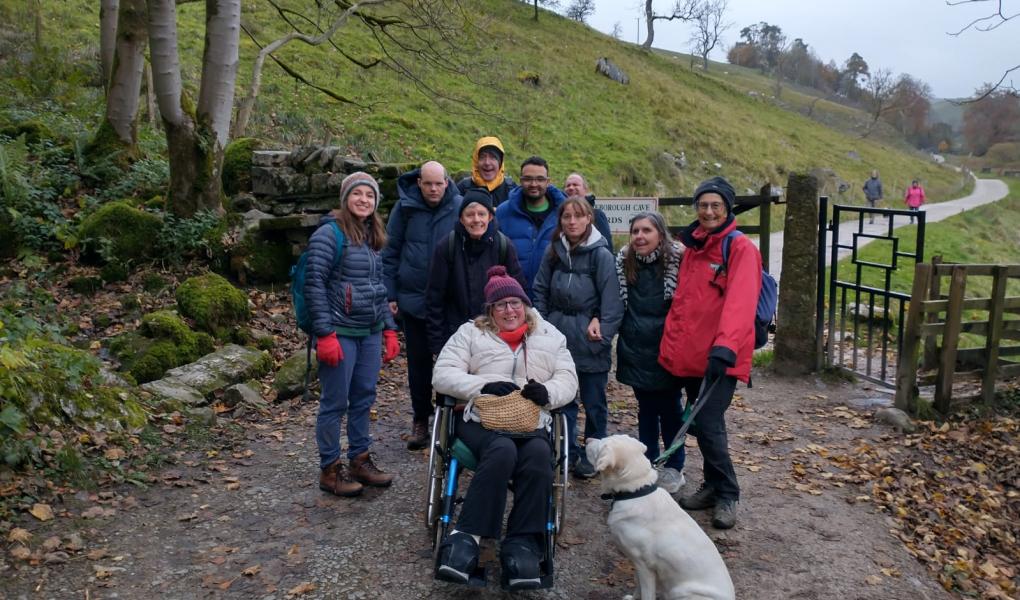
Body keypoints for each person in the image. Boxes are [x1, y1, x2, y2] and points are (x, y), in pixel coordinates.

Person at [432, 266, 578, 590]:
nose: (509, 311)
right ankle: (467, 537)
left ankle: (523, 543)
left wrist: (548, 393)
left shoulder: (549, 335)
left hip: (530, 420)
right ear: (490, 310)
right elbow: (442, 375)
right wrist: (483, 385)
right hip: (481, 420)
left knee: (540, 454)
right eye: (501, 305)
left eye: (514, 303)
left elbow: (568, 379)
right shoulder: (470, 333)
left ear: (524, 305)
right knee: (502, 449)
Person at [658, 176, 761, 530]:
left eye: (716, 205)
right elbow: (685, 303)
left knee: (710, 425)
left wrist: (726, 348)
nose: (709, 211)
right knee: (701, 427)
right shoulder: (695, 247)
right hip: (693, 356)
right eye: (703, 205)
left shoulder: (741, 248)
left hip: (720, 357)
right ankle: (712, 486)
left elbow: (741, 302)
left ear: (727, 208)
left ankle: (728, 494)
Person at [304, 172, 402, 497]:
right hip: (339, 330)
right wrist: (325, 334)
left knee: (363, 397)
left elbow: (378, 289)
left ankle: (360, 459)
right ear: (346, 198)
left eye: (370, 196)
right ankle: (330, 469)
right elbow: (314, 284)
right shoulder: (329, 235)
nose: (364, 200)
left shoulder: (373, 236)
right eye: (358, 194)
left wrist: (389, 329)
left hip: (370, 330)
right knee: (334, 402)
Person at [533, 197, 623, 479]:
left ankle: (594, 454)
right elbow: (539, 291)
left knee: (594, 401)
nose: (572, 221)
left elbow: (612, 302)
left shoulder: (601, 255)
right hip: (559, 335)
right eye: (567, 216)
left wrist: (603, 333)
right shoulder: (554, 252)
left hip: (589, 337)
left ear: (589, 219)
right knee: (563, 399)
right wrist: (544, 327)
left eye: (578, 216)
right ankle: (566, 449)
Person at [383, 161, 462, 451]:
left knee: (451, 364)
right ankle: (420, 419)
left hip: (448, 303)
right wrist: (391, 294)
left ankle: (450, 421)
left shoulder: (459, 207)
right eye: (427, 184)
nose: (433, 189)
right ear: (419, 182)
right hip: (413, 301)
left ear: (446, 182)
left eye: (438, 184)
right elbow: (390, 253)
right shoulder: (404, 209)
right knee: (418, 366)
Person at [614, 211, 686, 493]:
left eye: (647, 230)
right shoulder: (623, 263)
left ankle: (674, 465)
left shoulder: (676, 262)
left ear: (660, 234)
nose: (640, 237)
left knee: (670, 409)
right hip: (635, 346)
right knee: (645, 409)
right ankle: (649, 462)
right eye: (635, 231)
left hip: (666, 347)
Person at [425, 188, 527, 356]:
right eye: (470, 214)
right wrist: (438, 344)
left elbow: (519, 293)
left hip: (496, 334)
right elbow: (434, 298)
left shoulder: (503, 245)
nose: (476, 219)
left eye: (482, 214)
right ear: (461, 219)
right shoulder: (447, 247)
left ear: (490, 217)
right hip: (456, 333)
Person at [494, 156, 567, 299]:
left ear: (548, 182)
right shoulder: (504, 212)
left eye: (540, 179)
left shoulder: (565, 213)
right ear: (520, 181)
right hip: (514, 299)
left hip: (554, 300)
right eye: (528, 179)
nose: (534, 184)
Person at [456, 136, 517, 206]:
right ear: (476, 161)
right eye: (482, 157)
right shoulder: (463, 188)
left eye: (493, 157)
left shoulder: (512, 190)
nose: (487, 163)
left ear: (500, 163)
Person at [563, 172, 614, 252]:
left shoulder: (596, 215)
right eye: (568, 185)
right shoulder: (558, 215)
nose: (571, 188)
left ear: (585, 190)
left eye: (575, 185)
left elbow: (607, 246)